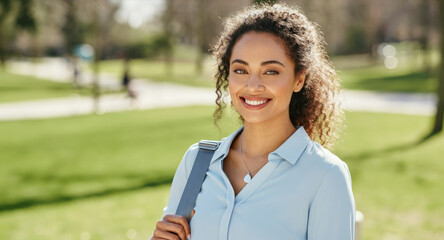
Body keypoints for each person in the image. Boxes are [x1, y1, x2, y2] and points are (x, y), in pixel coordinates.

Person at [151, 3, 355, 240]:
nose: (253, 86)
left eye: (271, 72)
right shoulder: (196, 162)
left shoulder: (326, 175)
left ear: (299, 79)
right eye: (240, 70)